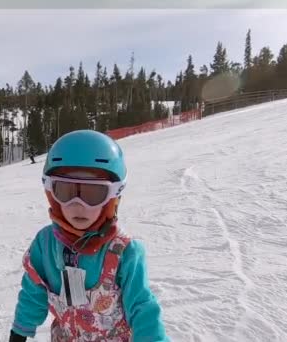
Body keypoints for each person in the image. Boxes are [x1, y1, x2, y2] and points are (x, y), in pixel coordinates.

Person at [9, 130, 169, 341]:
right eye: (65, 192)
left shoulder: (124, 253)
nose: (78, 205)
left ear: (113, 196)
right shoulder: (45, 245)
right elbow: (33, 293)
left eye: (93, 194)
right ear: (52, 194)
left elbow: (142, 309)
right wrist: (19, 331)